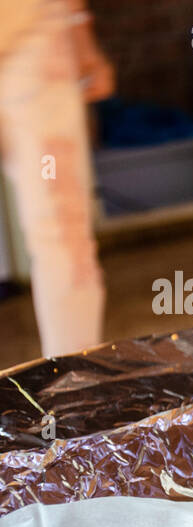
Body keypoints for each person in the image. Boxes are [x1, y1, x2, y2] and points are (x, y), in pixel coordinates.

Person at [0, 0, 112, 357]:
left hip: (33, 36)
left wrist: (78, 29)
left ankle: (71, 388)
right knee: (61, 236)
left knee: (62, 232)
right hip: (33, 34)